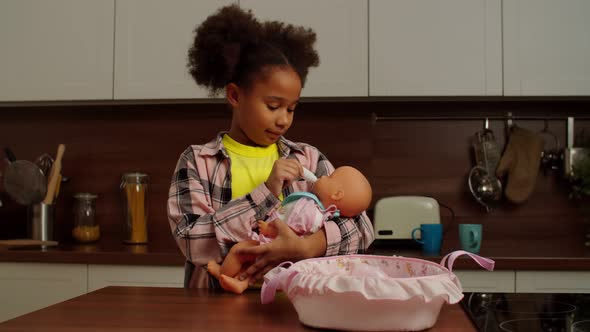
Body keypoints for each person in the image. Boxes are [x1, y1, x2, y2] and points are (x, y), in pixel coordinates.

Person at [167, 4, 374, 289]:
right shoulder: (198, 161)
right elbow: (192, 241)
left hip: (293, 308)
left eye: (291, 109)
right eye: (273, 106)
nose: (283, 120)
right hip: (215, 309)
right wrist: (265, 193)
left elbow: (362, 227)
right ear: (235, 95)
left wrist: (307, 247)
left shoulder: (309, 159)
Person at [207, 166, 372, 293]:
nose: (322, 175)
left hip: (270, 244)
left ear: (337, 194)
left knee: (238, 251)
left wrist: (270, 230)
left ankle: (223, 271)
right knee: (253, 268)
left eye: (329, 177)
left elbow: (291, 229)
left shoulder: (309, 210)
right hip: (285, 266)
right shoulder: (321, 215)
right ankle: (241, 283)